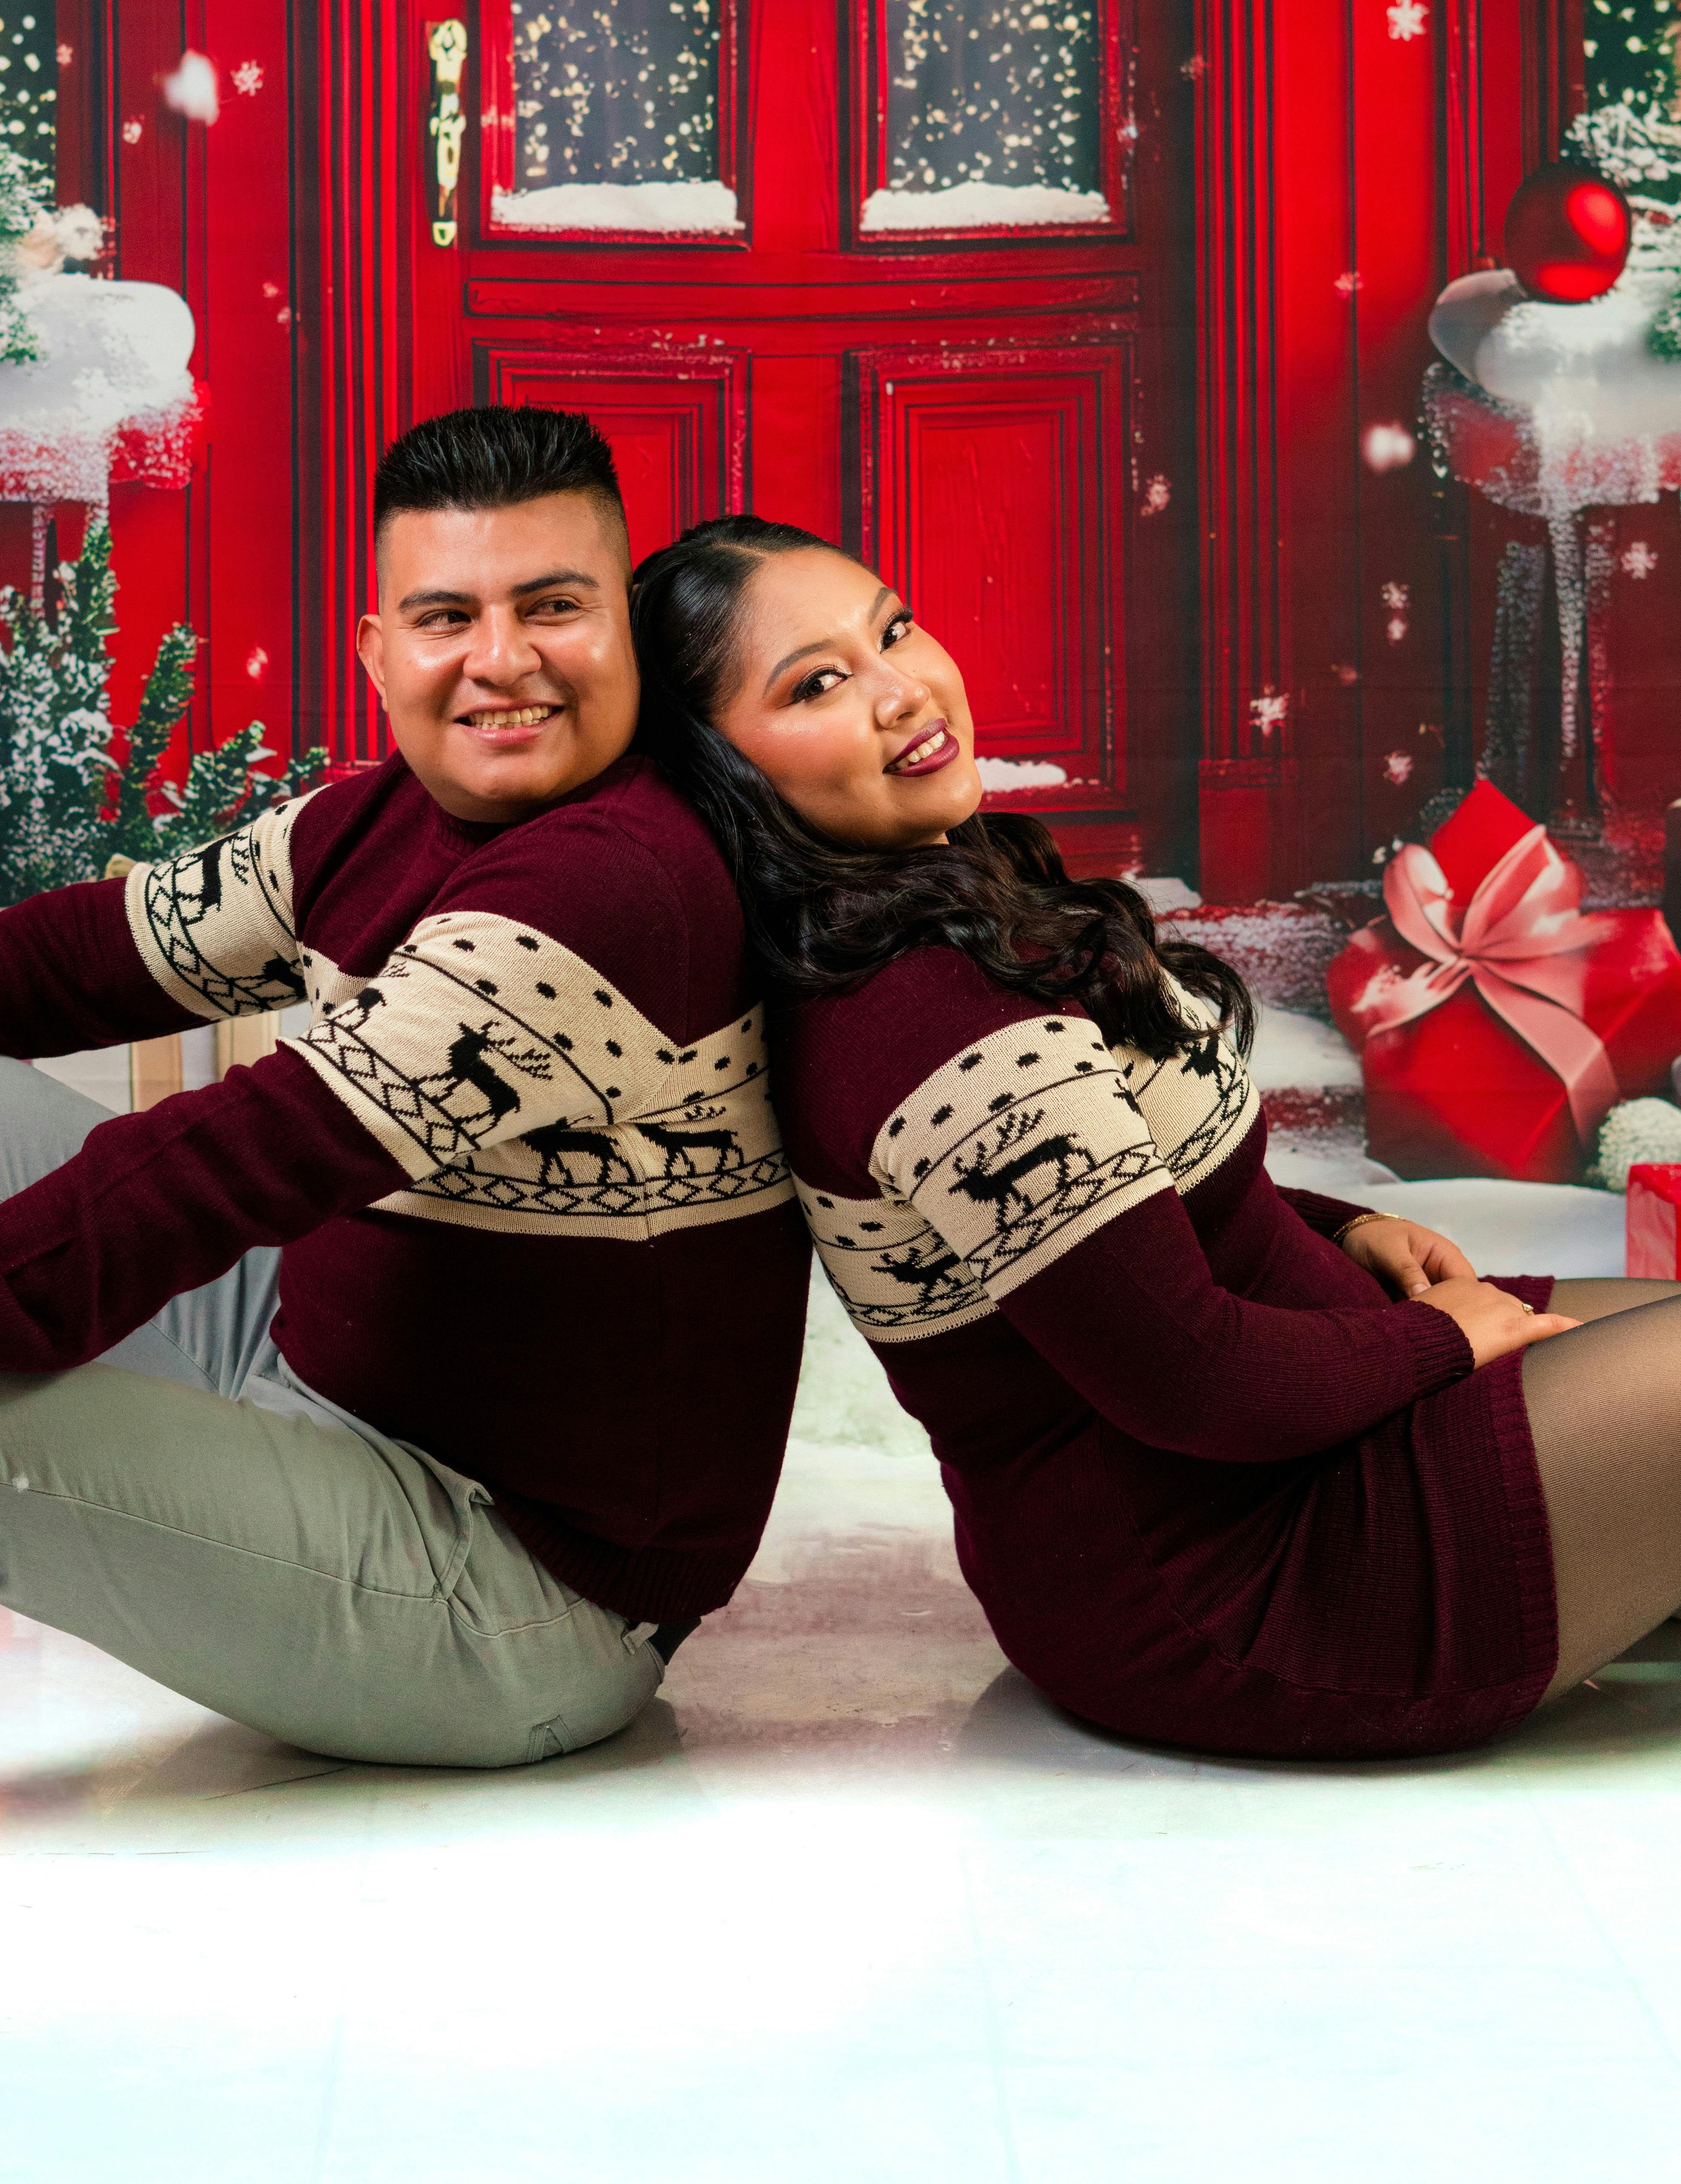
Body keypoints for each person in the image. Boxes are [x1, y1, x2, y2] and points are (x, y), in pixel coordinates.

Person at [0, 411, 808, 1764]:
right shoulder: (376, 821)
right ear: (377, 650)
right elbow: (60, 959)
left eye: (552, 607)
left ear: (625, 632)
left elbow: (237, 1160)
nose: (500, 660)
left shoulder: (613, 882)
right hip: (324, 1367)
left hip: (519, 1587)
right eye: (445, 615)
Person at [630, 510, 1681, 1762]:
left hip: (1311, 1410)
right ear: (719, 769)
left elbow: (1142, 1204)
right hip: (1242, 1577)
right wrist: (1439, 1340)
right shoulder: (922, 1015)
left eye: (892, 629)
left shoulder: (942, 898)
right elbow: (1188, 1379)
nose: (901, 690)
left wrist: (1348, 1225)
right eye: (815, 683)